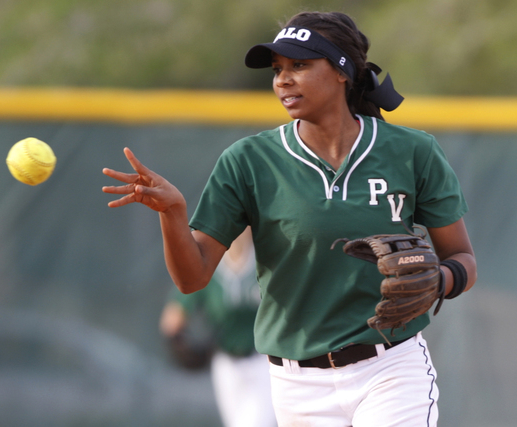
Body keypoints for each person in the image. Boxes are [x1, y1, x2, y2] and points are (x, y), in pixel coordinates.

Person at [103, 11, 477, 427]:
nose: (283, 79)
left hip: (390, 368)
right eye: (278, 69)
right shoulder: (248, 161)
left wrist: (439, 281)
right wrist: (173, 214)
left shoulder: (411, 151)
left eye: (299, 65)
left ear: (342, 72)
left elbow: (462, 257)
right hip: (297, 385)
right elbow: (192, 279)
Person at [159, 227, 277, 427]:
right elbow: (172, 318)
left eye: (244, 222)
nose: (237, 229)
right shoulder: (210, 269)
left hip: (264, 362)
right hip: (226, 364)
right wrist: (179, 342)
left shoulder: (267, 263)